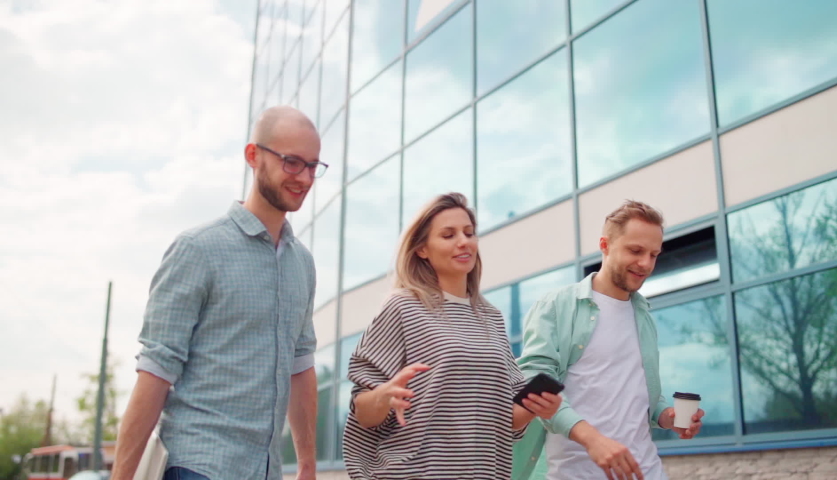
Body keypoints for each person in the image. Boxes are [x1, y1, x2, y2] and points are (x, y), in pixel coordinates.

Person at [111, 106, 328, 480]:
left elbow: (301, 365)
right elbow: (155, 371)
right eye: (292, 162)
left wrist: (307, 463)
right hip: (199, 465)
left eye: (312, 166)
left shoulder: (302, 264)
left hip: (265, 471)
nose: (304, 178)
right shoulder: (198, 249)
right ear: (253, 156)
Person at [342, 193, 562, 480]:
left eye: (469, 233)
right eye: (448, 235)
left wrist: (536, 407)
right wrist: (384, 395)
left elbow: (506, 420)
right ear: (422, 249)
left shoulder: (491, 318)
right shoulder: (403, 307)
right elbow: (363, 412)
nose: (464, 241)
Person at [514, 200, 705, 480]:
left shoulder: (643, 316)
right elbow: (534, 383)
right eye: (636, 251)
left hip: (647, 471)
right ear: (604, 245)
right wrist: (593, 439)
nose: (646, 264)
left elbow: (639, 392)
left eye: (654, 254)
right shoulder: (557, 306)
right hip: (577, 473)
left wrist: (666, 416)